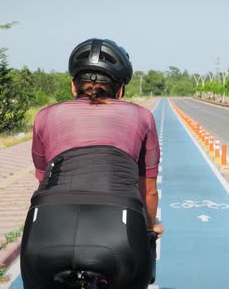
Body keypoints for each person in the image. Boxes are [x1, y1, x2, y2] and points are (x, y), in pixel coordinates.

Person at [20, 38, 163, 289]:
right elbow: (148, 191)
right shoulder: (142, 116)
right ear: (119, 91)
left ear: (73, 87)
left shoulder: (44, 116)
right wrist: (151, 226)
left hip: (46, 231)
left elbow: (44, 179)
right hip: (118, 236)